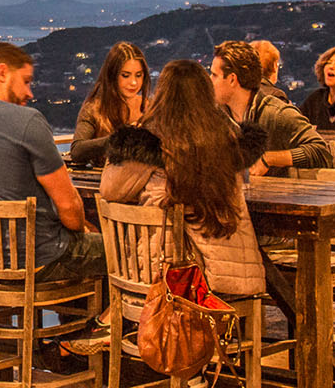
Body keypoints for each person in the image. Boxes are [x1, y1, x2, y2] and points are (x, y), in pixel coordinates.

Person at [0, 42, 102, 283]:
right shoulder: (26, 121)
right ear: (3, 72)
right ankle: (108, 320)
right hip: (41, 260)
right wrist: (84, 228)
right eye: (26, 81)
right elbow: (69, 208)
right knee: (129, 251)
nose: (30, 93)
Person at [99, 60, 265, 297]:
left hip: (165, 278)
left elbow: (109, 190)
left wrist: (133, 131)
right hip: (228, 278)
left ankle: (113, 321)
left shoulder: (150, 142)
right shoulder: (228, 138)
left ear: (163, 94)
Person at [210, 40, 331, 175]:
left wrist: (269, 159)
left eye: (214, 75)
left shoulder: (276, 113)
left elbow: (321, 151)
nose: (210, 80)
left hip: (273, 195)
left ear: (232, 79)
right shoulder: (216, 116)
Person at [68, 42, 150, 167]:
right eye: (125, 76)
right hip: (105, 183)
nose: (133, 82)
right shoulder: (94, 109)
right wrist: (118, 138)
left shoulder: (149, 107)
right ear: (112, 75)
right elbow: (77, 151)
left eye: (138, 75)